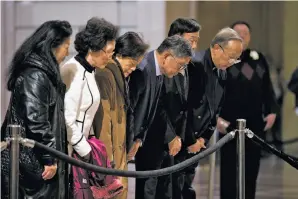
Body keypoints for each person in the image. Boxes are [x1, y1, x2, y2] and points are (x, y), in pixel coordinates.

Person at [1, 20, 72, 199]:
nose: (67, 52)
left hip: (35, 162)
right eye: (66, 46)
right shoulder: (36, 75)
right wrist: (49, 157)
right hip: (34, 165)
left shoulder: (42, 74)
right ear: (52, 46)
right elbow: (36, 121)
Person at [61, 17, 122, 199]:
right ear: (94, 48)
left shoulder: (90, 71)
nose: (111, 57)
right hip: (71, 154)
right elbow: (67, 119)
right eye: (109, 51)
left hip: (81, 152)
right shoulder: (72, 70)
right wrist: (87, 152)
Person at [218, 21, 278, 199]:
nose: (242, 35)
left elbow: (268, 89)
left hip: (254, 125)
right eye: (238, 32)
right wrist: (216, 118)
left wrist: (272, 111)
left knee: (251, 170)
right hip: (229, 124)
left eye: (245, 33)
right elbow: (212, 92)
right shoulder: (221, 60)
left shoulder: (258, 59)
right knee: (229, 171)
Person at [127, 35, 193, 199]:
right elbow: (130, 110)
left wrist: (138, 139)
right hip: (134, 143)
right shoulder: (142, 69)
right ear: (167, 56)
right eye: (179, 65)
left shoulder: (157, 71)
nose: (179, 71)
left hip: (139, 140)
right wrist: (133, 139)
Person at [185, 27, 243, 199]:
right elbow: (184, 107)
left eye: (236, 59)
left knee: (186, 184)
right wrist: (190, 139)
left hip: (198, 141)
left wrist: (203, 137)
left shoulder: (222, 72)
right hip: (182, 140)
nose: (232, 62)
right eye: (230, 56)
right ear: (217, 48)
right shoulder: (195, 65)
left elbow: (215, 109)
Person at [93, 31, 149, 199]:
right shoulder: (105, 75)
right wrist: (107, 163)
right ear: (119, 54)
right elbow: (103, 124)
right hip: (109, 159)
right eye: (132, 63)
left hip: (118, 154)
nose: (133, 69)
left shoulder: (117, 76)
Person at [159, 18, 202, 199]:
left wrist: (190, 138)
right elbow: (159, 106)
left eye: (196, 40)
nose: (194, 44)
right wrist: (171, 137)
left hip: (182, 140)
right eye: (191, 39)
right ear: (177, 37)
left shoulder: (191, 67)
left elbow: (188, 107)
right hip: (162, 141)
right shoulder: (162, 65)